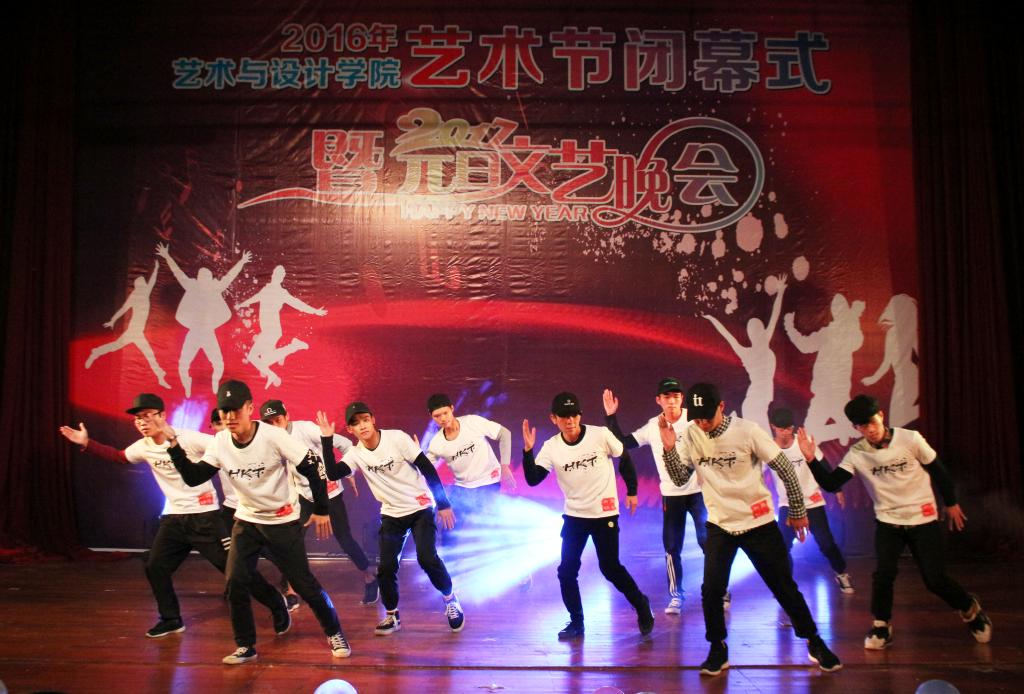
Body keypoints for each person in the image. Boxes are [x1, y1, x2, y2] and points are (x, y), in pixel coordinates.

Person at [58, 393, 288, 639]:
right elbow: (119, 457)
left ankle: (276, 603)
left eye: (148, 416)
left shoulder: (188, 439)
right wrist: (87, 442)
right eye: (138, 418)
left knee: (236, 572)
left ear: (162, 416)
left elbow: (225, 447)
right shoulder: (143, 447)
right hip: (174, 519)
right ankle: (171, 619)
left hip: (204, 518)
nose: (143, 422)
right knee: (155, 567)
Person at [659, 383, 841, 675]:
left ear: (721, 407)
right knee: (711, 591)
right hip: (720, 524)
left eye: (707, 416)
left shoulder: (748, 431)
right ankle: (717, 648)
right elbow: (680, 479)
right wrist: (669, 449)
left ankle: (814, 641)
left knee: (784, 587)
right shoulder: (692, 434)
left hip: (758, 523)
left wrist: (797, 510)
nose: (702, 423)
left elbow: (785, 468)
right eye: (697, 418)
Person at [164, 380, 351, 664]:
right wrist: (174, 446)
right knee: (235, 582)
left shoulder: (273, 436)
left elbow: (313, 468)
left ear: (250, 408)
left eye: (235, 410)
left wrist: (322, 509)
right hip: (247, 521)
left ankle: (334, 632)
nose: (229, 417)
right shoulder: (220, 442)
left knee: (304, 585)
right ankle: (245, 646)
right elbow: (193, 477)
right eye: (224, 411)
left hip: (282, 521)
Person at [805, 394, 992, 649]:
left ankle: (970, 608)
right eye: (862, 426)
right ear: (856, 428)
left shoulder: (910, 439)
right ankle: (881, 626)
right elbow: (831, 483)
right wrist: (811, 460)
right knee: (883, 575)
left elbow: (938, 470)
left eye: (872, 422)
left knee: (934, 579)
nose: (870, 430)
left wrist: (951, 503)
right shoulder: (858, 453)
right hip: (888, 521)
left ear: (881, 416)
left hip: (922, 518)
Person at [319, 401, 464, 636]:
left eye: (365, 420)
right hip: (392, 513)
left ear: (373, 420)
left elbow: (427, 468)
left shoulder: (397, 438)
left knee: (427, 558)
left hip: (420, 506)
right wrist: (327, 440)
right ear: (350, 430)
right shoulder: (356, 454)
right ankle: (392, 616)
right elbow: (333, 473)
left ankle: (450, 600)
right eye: (356, 423)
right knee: (386, 567)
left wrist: (443, 503)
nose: (362, 426)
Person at [522, 392, 654, 640]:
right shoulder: (551, 447)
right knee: (566, 571)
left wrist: (632, 490)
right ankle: (577, 622)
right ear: (554, 418)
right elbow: (533, 479)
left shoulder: (600, 435)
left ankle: (641, 604)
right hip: (575, 516)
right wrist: (528, 451)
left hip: (604, 513)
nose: (570, 420)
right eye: (564, 416)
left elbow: (624, 457)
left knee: (610, 568)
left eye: (574, 415)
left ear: (580, 416)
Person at [603, 378, 721, 615]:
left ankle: (720, 590)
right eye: (667, 397)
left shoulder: (694, 421)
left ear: (682, 399)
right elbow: (623, 443)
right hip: (671, 495)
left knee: (709, 543)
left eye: (676, 396)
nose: (672, 401)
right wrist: (611, 417)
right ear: (659, 400)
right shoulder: (652, 427)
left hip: (699, 493)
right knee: (672, 547)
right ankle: (676, 596)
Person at [259, 399, 379, 606]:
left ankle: (369, 575)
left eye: (277, 420)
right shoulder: (269, 439)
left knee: (344, 538)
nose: (275, 426)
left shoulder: (305, 429)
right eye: (269, 423)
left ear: (287, 416)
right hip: (304, 496)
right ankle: (291, 588)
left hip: (328, 492)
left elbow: (345, 444)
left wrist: (347, 470)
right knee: (293, 541)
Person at [764, 407, 853, 594]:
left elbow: (823, 465)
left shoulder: (803, 442)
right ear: (773, 427)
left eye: (789, 428)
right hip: (787, 505)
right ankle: (786, 586)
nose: (786, 433)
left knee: (826, 543)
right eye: (781, 429)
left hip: (812, 501)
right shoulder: (768, 448)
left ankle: (841, 573)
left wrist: (836, 489)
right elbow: (756, 473)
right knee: (782, 547)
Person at [424, 393, 514, 530]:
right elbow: (426, 470)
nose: (442, 418)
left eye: (445, 413)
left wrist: (505, 466)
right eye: (437, 416)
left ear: (452, 408)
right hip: (462, 489)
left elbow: (504, 434)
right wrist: (416, 455)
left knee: (485, 528)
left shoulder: (472, 422)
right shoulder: (436, 443)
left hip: (489, 483)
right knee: (449, 527)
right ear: (431, 415)